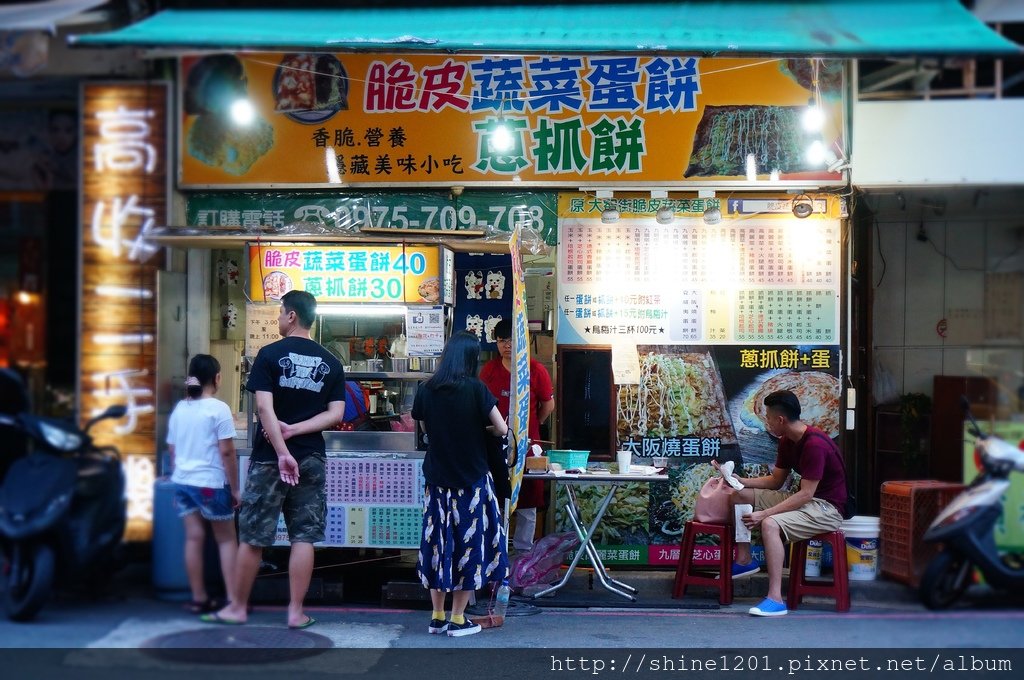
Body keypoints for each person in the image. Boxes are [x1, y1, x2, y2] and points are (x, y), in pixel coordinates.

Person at [205, 290, 345, 629]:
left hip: (271, 459)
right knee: (303, 537)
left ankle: (237, 608)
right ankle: (296, 613)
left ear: (292, 315)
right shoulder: (332, 363)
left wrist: (282, 449)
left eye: (280, 313)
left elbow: (264, 409)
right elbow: (336, 414)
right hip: (311, 457)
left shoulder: (269, 355)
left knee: (254, 535)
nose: (278, 319)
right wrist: (296, 432)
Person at [716, 389, 846, 617]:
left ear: (781, 420)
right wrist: (740, 480)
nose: (764, 421)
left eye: (767, 416)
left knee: (770, 524)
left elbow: (806, 494)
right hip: (806, 500)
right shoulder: (787, 441)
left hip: (826, 507)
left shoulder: (815, 444)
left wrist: (765, 514)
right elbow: (776, 481)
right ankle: (744, 558)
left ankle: (775, 598)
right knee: (740, 495)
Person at [413, 331, 509, 637]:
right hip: (470, 482)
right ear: (470, 358)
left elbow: (425, 428)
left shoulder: (427, 389)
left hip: (437, 482)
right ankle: (458, 618)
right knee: (469, 545)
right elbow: (502, 428)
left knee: (439, 545)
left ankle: (437, 616)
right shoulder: (476, 389)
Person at [166, 354, 240, 614]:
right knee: (227, 541)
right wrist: (235, 488)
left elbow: (172, 450)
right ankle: (233, 600)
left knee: (194, 539)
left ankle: (199, 598)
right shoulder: (218, 409)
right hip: (210, 484)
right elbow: (228, 453)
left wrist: (178, 479)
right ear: (217, 378)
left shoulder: (180, 409)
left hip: (184, 483)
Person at [479, 318, 554, 552]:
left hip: (528, 444)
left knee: (528, 498)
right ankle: (495, 551)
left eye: (511, 340)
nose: (506, 345)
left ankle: (523, 553)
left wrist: (534, 425)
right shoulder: (489, 370)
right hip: (494, 443)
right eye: (502, 341)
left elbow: (548, 405)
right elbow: (480, 405)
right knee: (495, 495)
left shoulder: (535, 369)